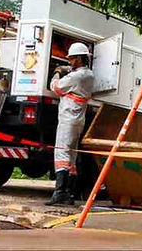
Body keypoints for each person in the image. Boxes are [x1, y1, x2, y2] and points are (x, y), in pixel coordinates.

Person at [45, 42, 94, 206]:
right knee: (71, 157)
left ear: (80, 59)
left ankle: (59, 192)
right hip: (78, 120)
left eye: (72, 59)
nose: (70, 62)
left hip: (68, 120)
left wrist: (57, 73)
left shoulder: (75, 77)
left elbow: (56, 89)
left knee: (61, 154)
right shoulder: (89, 75)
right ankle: (70, 193)